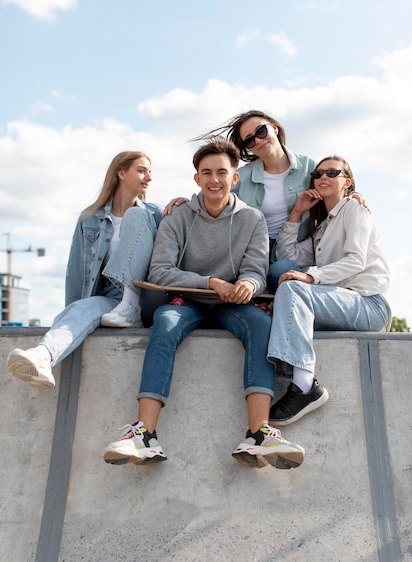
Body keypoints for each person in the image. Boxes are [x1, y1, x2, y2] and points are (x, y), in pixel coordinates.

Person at [103, 138, 305, 470]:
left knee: (261, 324)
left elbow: (255, 270)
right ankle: (144, 434)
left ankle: (259, 434)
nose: (214, 179)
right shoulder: (178, 216)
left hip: (232, 305)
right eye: (206, 172)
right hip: (187, 300)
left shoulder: (252, 219)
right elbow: (161, 271)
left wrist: (247, 284)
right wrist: (210, 282)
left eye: (222, 172)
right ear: (196, 178)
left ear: (234, 178)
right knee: (165, 323)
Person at [7, 151, 162, 390]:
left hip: (146, 298)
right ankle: (43, 356)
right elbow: (76, 272)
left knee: (136, 214)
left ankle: (130, 305)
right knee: (82, 308)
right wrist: (73, 310)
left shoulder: (153, 215)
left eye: (150, 172)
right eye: (142, 170)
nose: (148, 177)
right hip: (111, 299)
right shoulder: (89, 219)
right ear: (121, 172)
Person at [167, 110, 367, 292]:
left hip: (290, 253)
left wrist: (352, 195)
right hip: (249, 252)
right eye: (250, 141)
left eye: (261, 132)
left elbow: (332, 184)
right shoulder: (242, 176)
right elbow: (214, 193)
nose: (258, 141)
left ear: (275, 128)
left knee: (283, 270)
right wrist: (187, 201)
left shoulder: (309, 167)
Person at [267, 155, 391, 426]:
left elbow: (356, 260)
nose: (323, 177)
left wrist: (311, 276)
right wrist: (297, 213)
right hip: (341, 302)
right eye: (318, 173)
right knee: (285, 295)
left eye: (332, 172)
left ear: (347, 182)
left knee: (294, 289)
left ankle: (304, 385)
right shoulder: (324, 226)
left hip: (368, 304)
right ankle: (298, 379)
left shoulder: (354, 209)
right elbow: (289, 254)